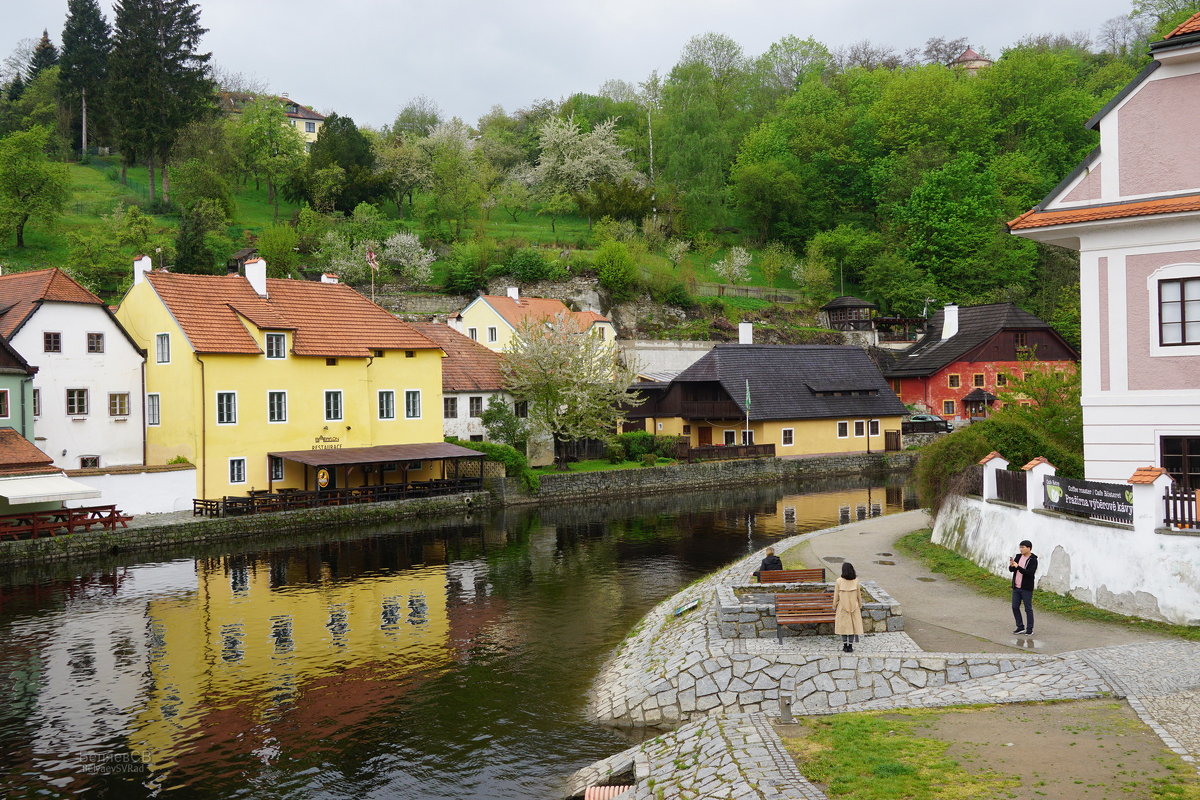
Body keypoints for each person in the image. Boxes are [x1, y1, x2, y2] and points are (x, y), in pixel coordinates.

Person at [1009, 539, 1038, 635]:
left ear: (1029, 548)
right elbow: (1011, 570)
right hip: (1016, 587)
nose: (1020, 549)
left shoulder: (1033, 560)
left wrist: (1017, 567)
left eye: (1023, 547)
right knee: (1014, 607)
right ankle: (1020, 627)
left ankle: (1030, 629)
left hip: (1026, 588)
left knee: (1028, 608)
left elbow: (1029, 573)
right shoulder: (1018, 556)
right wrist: (1012, 565)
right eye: (1020, 547)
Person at [833, 562, 863, 652]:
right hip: (854, 607)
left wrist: (834, 605)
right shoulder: (856, 581)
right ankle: (850, 646)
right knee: (852, 627)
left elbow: (836, 596)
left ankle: (845, 645)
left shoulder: (838, 581)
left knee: (843, 627)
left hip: (842, 607)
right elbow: (859, 595)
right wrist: (860, 605)